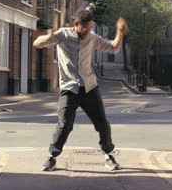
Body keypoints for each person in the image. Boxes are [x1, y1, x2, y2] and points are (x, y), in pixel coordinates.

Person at [33, 9, 129, 171]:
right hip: (69, 88)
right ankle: (52, 157)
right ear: (76, 24)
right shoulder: (63, 35)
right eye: (85, 27)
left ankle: (108, 155)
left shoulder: (92, 38)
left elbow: (113, 48)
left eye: (90, 27)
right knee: (64, 125)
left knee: (102, 124)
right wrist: (48, 37)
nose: (88, 30)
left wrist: (120, 33)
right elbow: (37, 43)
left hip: (89, 87)